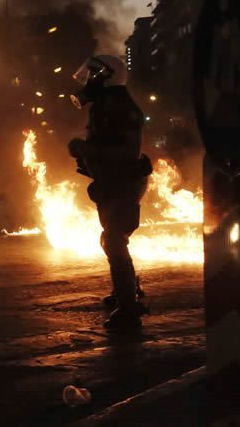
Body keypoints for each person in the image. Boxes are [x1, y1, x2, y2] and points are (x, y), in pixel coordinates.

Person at [67, 55, 152, 332]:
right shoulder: (106, 104)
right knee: (112, 240)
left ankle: (129, 309)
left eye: (92, 75)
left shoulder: (120, 107)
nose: (88, 81)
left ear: (106, 75)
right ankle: (128, 289)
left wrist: (85, 148)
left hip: (124, 181)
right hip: (110, 182)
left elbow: (125, 152)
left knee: (115, 240)